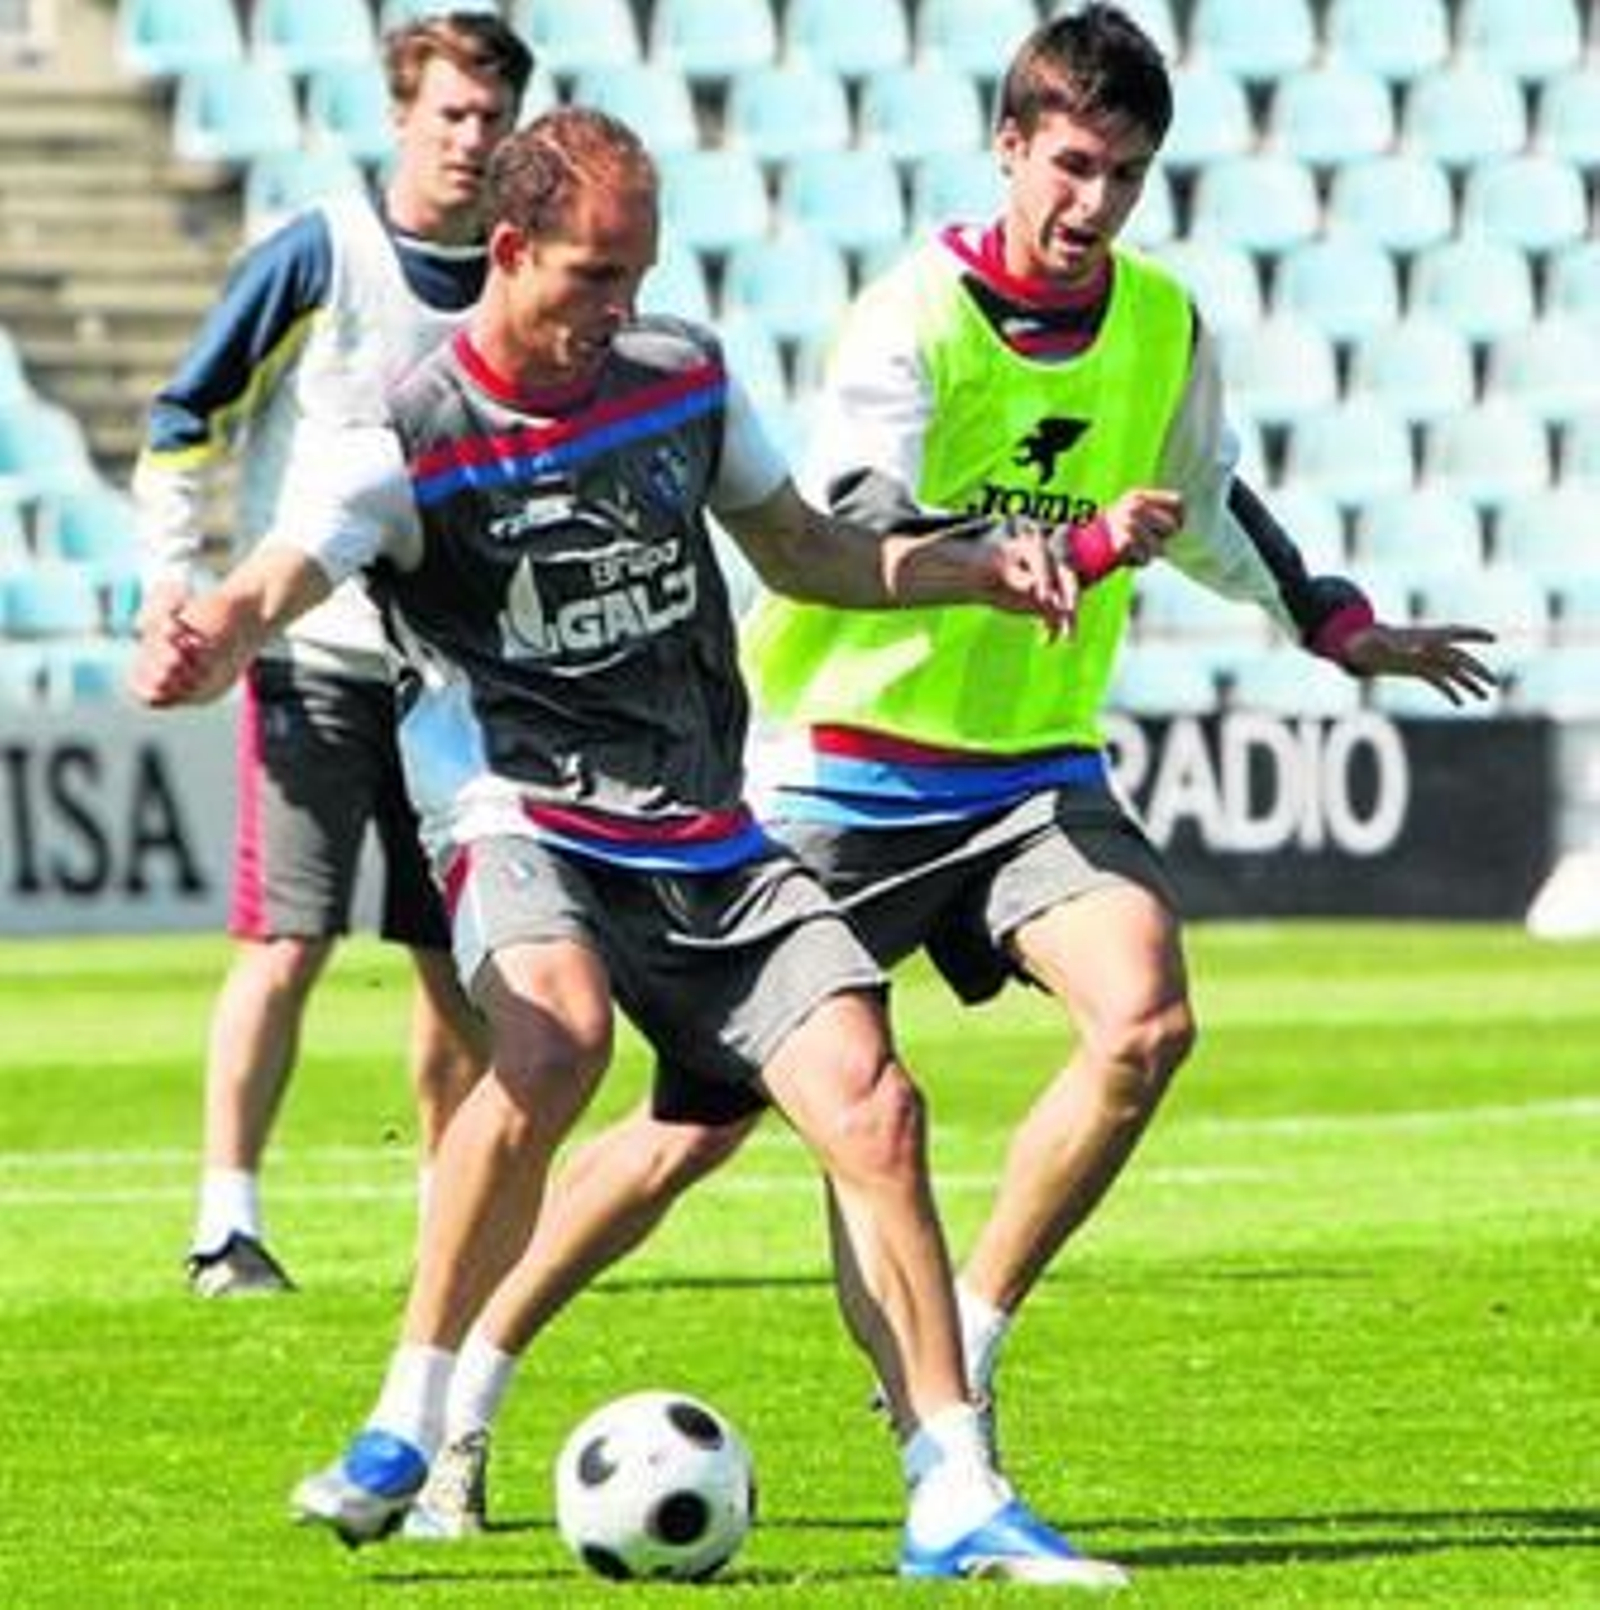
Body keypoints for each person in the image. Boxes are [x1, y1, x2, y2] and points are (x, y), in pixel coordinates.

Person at [387, 1, 1499, 1540]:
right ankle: (471, 1392)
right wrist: (1030, 548)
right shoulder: (914, 309)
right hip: (840, 766)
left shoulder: (1165, 322)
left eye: (1123, 174)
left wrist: (1330, 619)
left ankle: (954, 1352)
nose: (1092, 202)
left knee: (1146, 1015)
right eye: (1071, 164)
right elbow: (846, 509)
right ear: (1008, 148)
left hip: (1032, 767)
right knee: (691, 1132)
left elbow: (1208, 495)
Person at [131, 105, 1133, 1587]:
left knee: (874, 1102)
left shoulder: (681, 378)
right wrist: (211, 632)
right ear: (514, 250)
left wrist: (969, 566)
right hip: (516, 803)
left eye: (639, 275)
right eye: (596, 276)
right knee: (554, 1042)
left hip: (703, 821)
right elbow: (278, 580)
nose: (622, 308)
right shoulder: (395, 437)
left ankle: (953, 1486)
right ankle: (408, 1420)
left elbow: (801, 547)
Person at [133, 12, 535, 1295]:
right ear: (400, 118)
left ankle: (447, 1213)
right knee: (285, 940)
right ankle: (223, 1220)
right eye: (450, 115)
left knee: (454, 962)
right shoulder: (322, 250)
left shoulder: (524, 265)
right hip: (311, 648)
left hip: (454, 674)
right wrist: (175, 584)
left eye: (490, 117)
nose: (470, 139)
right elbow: (186, 411)